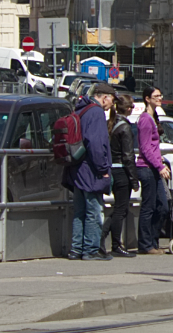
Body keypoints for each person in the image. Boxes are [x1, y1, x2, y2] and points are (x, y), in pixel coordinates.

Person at [65, 82, 115, 261]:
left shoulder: (81, 109)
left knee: (79, 211)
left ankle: (76, 249)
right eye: (111, 100)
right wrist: (103, 169)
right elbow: (96, 143)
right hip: (91, 170)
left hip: (77, 169)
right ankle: (91, 250)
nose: (111, 105)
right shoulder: (96, 112)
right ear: (104, 97)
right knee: (93, 211)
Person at [101, 94, 140, 258]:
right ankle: (114, 243)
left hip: (112, 169)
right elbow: (128, 156)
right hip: (122, 171)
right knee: (120, 209)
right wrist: (134, 179)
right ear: (129, 109)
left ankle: (103, 239)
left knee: (118, 208)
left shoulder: (111, 123)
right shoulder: (125, 127)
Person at [136, 86, 171, 255]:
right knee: (148, 206)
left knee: (163, 206)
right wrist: (159, 166)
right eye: (156, 96)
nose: (159, 98)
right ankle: (145, 244)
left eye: (160, 95)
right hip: (146, 168)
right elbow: (144, 147)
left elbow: (153, 146)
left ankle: (153, 241)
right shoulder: (145, 120)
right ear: (147, 99)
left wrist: (160, 159)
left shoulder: (153, 118)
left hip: (154, 167)